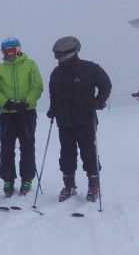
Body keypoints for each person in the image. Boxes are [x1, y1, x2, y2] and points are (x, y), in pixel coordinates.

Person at [47, 36, 112, 202]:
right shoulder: (57, 73)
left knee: (88, 152)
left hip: (86, 118)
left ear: (70, 52)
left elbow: (106, 84)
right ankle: (69, 185)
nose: (57, 57)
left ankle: (93, 184)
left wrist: (100, 100)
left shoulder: (89, 68)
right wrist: (52, 108)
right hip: (65, 120)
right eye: (56, 54)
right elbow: (53, 93)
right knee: (66, 153)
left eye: (59, 53)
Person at [0, 37, 44, 197]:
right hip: (8, 114)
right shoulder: (0, 69)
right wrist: (6, 103)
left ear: (18, 50)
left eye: (12, 50)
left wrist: (26, 102)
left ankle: (27, 178)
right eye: (5, 51)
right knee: (7, 147)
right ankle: (8, 179)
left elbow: (37, 86)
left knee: (27, 146)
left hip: (26, 113)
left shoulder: (30, 64)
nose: (9, 54)